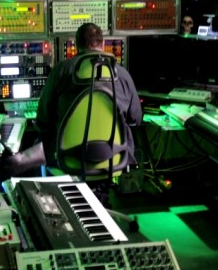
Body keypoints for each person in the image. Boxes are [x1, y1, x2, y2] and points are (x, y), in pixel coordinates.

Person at [36, 22, 143, 173]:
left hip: (69, 160)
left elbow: (43, 120)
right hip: (114, 160)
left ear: (76, 45)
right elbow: (136, 119)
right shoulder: (123, 75)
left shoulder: (60, 71)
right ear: (103, 44)